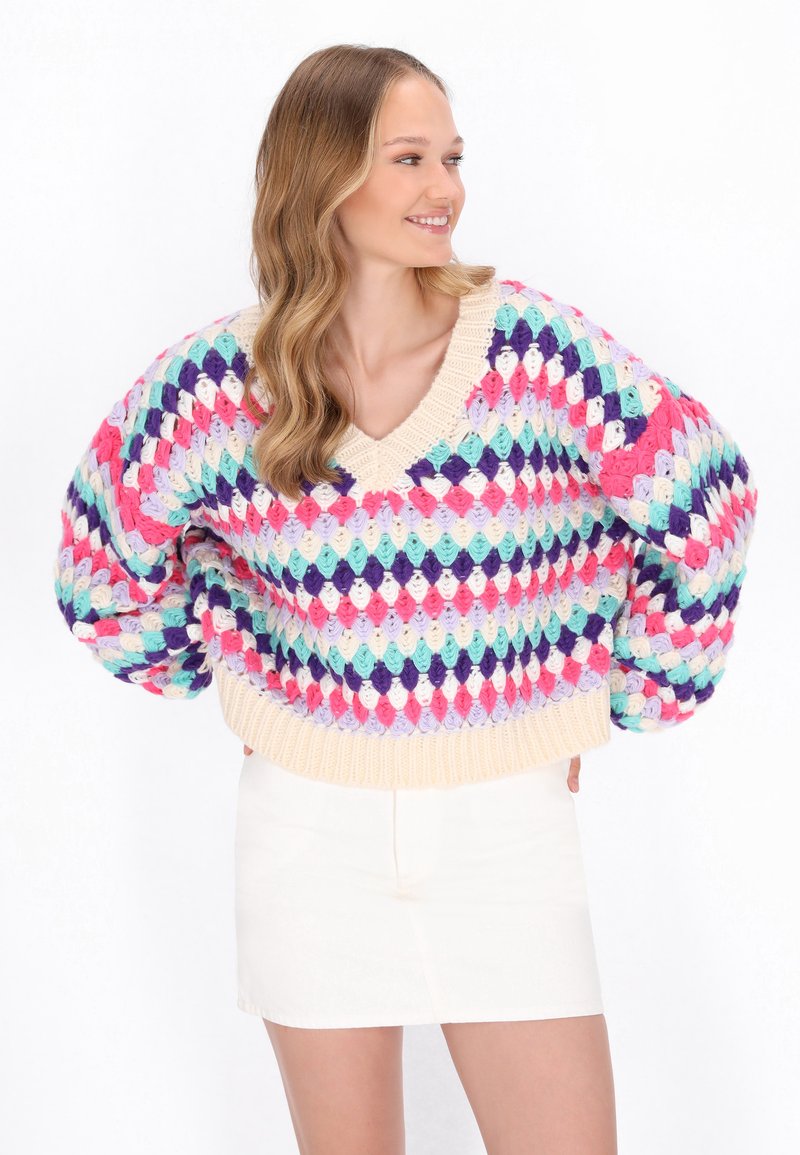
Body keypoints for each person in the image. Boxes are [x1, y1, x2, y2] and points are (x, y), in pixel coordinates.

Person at [53, 43, 759, 1155]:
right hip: (305, 833)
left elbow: (708, 501)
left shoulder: (534, 354)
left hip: (504, 831)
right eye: (410, 158)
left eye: (453, 158)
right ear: (323, 175)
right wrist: (229, 676)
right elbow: (99, 562)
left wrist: (622, 694)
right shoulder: (214, 387)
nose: (446, 189)